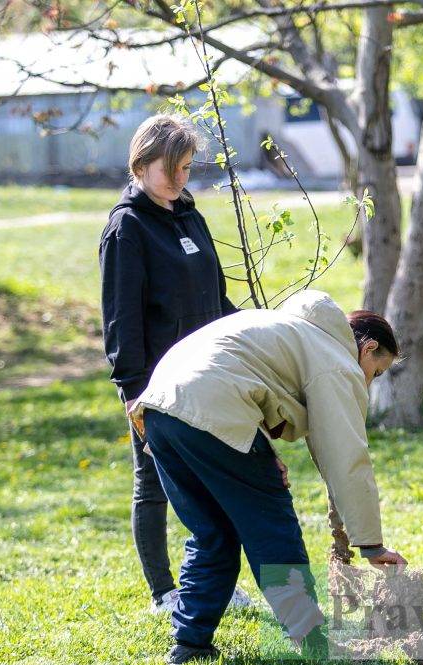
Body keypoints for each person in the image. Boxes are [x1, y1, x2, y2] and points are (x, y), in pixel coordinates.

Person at [128, 289, 408, 665]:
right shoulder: (336, 360)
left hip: (159, 409)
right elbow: (345, 459)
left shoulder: (287, 329)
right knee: (272, 527)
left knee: (213, 532)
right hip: (210, 408)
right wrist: (371, 545)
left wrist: (262, 449)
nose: (369, 383)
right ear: (368, 346)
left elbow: (238, 377)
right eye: (376, 371)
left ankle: (189, 644)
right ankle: (311, 639)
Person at [99, 113, 251, 614]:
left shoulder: (189, 214)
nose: (183, 179)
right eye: (174, 169)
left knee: (218, 478)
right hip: (157, 385)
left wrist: (251, 336)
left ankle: (216, 582)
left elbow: (216, 297)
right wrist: (133, 391)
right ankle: (165, 592)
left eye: (187, 168)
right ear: (141, 165)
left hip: (209, 375)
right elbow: (121, 319)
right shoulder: (127, 229)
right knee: (155, 482)